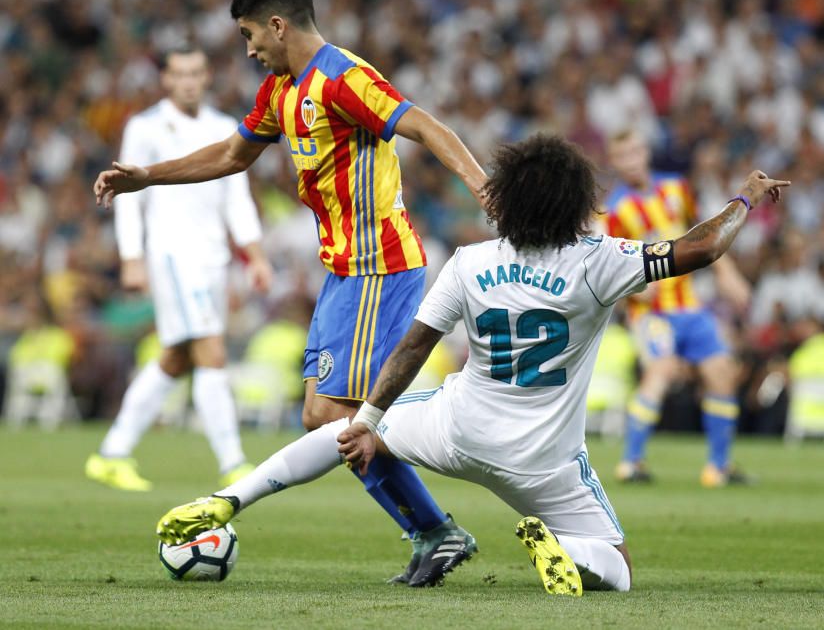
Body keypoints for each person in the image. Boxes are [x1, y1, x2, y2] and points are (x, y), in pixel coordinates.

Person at [153, 134, 787, 595]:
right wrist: (745, 198)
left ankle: (230, 497)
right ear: (576, 205)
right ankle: (567, 550)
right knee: (617, 562)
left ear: (503, 199)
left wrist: (371, 420)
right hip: (543, 463)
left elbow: (412, 347)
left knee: (336, 430)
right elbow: (700, 247)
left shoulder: (471, 261)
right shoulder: (600, 260)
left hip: (456, 430)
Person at [94, 0, 488, 586]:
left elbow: (427, 126)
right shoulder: (281, 90)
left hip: (379, 266)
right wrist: (148, 177)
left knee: (338, 413)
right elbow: (231, 155)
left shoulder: (343, 78)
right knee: (324, 417)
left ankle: (438, 516)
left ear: (278, 25)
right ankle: (434, 528)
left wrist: (480, 184)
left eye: (251, 35)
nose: (248, 49)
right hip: (343, 273)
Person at [85, 46, 273, 491]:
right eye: (179, 74)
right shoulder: (145, 127)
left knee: (176, 357)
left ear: (207, 77)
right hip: (171, 255)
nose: (188, 81)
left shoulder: (222, 127)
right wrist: (131, 257)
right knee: (211, 349)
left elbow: (237, 198)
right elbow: (128, 197)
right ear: (166, 81)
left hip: (212, 259)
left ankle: (112, 453)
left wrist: (256, 255)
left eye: (195, 72)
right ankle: (234, 464)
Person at [604, 129, 753, 487]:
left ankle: (718, 467)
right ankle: (631, 462)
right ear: (614, 162)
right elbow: (609, 264)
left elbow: (701, 236)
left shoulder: (677, 189)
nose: (632, 161)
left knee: (721, 371)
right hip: (652, 313)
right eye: (623, 156)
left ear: (645, 152)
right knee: (663, 369)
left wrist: (729, 274)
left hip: (690, 306)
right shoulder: (614, 210)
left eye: (635, 152)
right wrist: (634, 291)